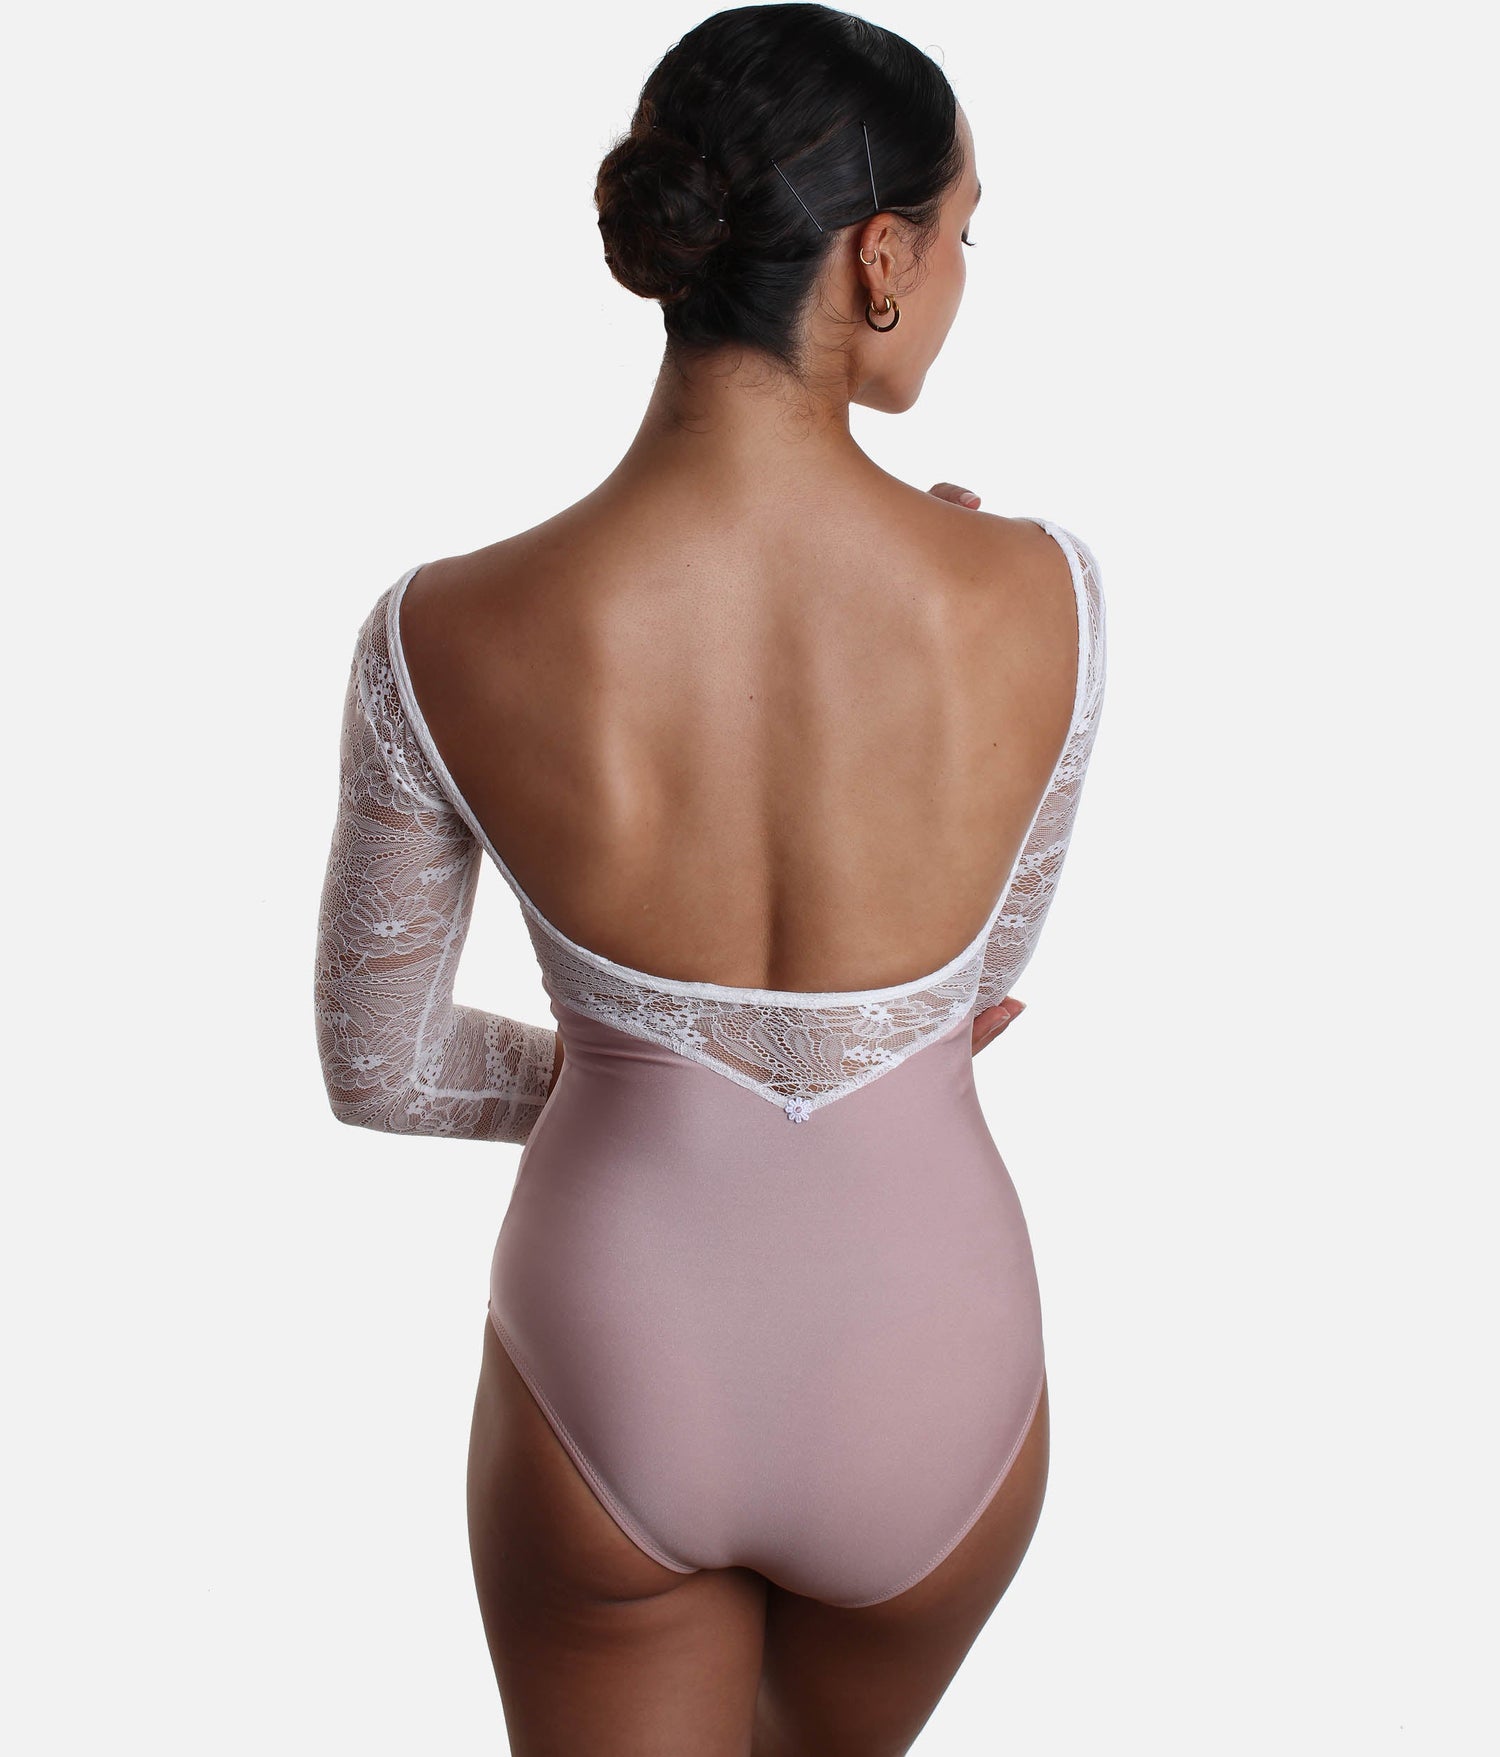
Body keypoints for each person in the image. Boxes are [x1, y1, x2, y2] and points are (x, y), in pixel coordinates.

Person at [314, 5, 1106, 1750]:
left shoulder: (441, 629)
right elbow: (976, 997)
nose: (960, 279)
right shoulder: (1045, 597)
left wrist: (648, 1078)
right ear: (880, 258)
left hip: (619, 1342)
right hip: (931, 1349)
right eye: (964, 236)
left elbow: (382, 1067)